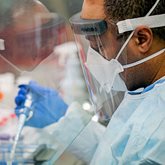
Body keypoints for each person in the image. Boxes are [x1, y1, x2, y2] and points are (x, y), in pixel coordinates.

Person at [15, 0, 165, 164]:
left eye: (99, 46)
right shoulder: (145, 92)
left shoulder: (159, 133)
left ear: (141, 39)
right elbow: (117, 155)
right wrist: (63, 119)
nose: (93, 59)